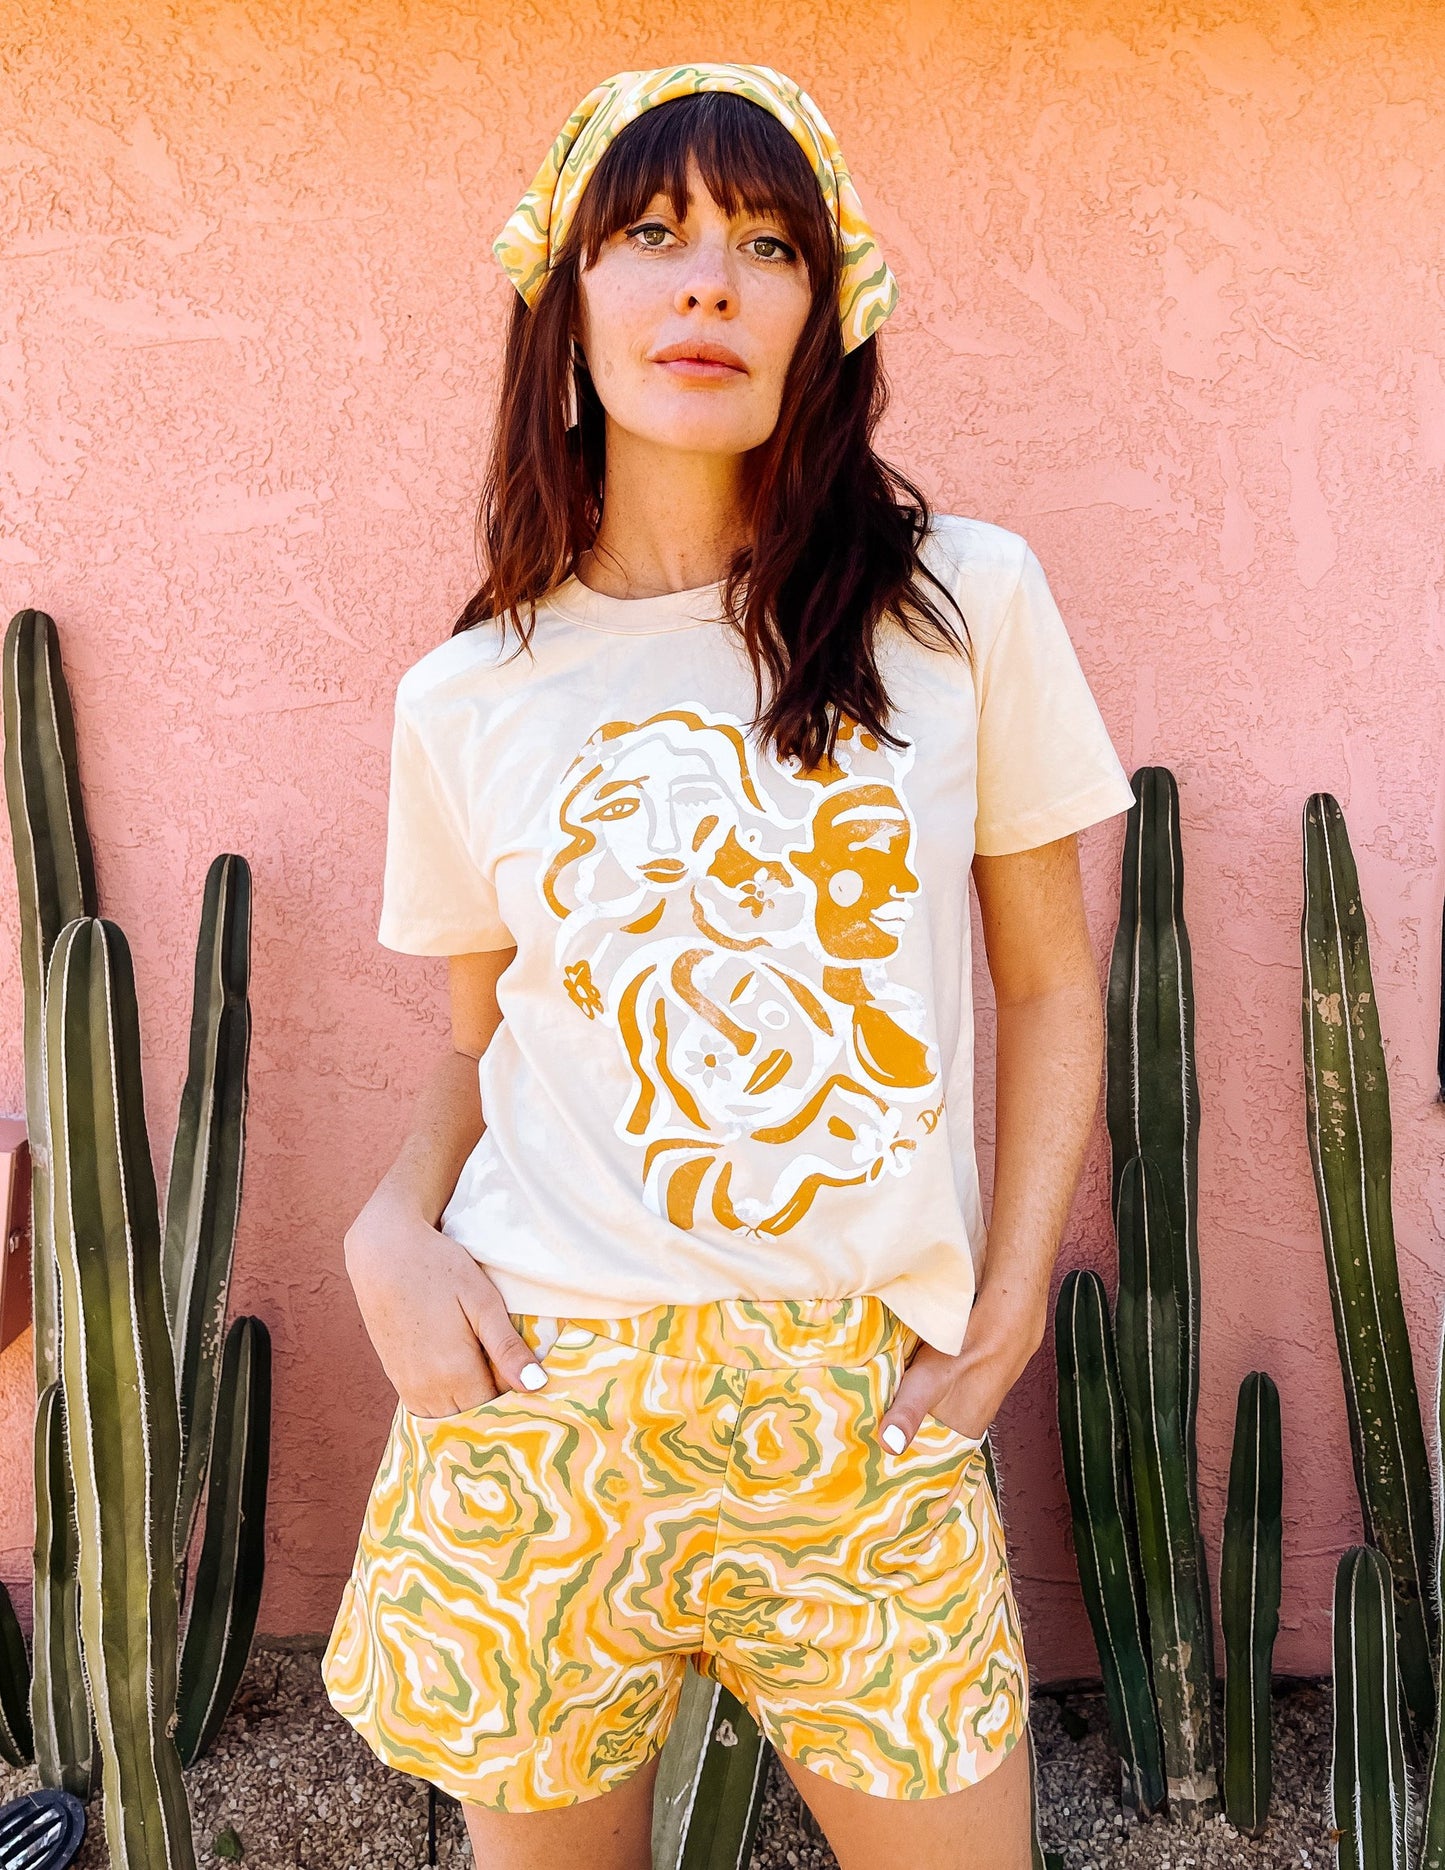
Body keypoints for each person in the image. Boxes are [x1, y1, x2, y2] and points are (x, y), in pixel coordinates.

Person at [321, 61, 1137, 1870]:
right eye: (654, 234)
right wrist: (388, 1227)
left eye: (769, 243)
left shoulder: (955, 606)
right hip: (544, 1398)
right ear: (568, 296)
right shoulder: (467, 693)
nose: (708, 282)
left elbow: (1051, 982)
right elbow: (483, 1048)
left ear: (822, 318)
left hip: (857, 1413)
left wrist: (1004, 1310)